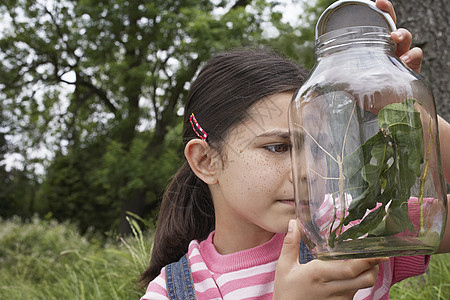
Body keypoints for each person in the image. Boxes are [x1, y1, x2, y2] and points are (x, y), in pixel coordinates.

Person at [140, 1, 450, 299]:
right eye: (278, 147)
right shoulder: (174, 291)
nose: (307, 169)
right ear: (206, 160)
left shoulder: (348, 226)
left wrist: (402, 104)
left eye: (318, 147)